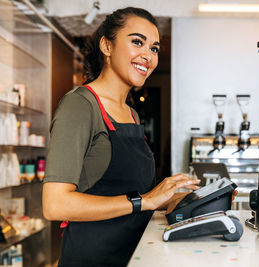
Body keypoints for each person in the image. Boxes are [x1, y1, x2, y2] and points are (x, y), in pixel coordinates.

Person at [42, 7, 199, 267]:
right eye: (137, 42)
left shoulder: (132, 115)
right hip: (92, 259)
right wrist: (145, 200)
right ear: (107, 45)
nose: (147, 55)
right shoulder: (80, 106)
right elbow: (55, 204)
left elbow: (131, 198)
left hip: (132, 256)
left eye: (155, 48)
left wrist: (186, 198)